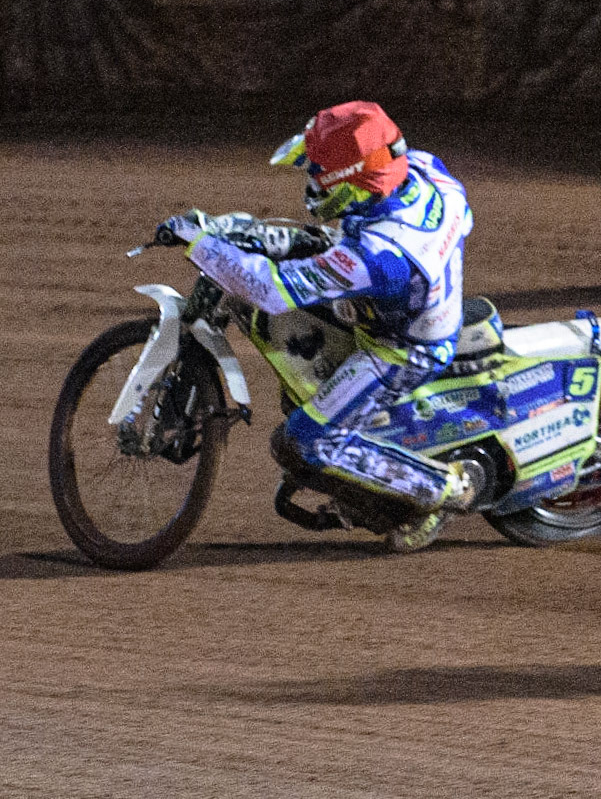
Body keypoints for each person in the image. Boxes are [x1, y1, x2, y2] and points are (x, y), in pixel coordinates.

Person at [158, 100, 477, 552]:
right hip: (391, 296)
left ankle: (441, 489)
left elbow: (270, 289)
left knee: (306, 441)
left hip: (401, 349)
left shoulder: (381, 257)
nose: (311, 183)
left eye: (319, 173)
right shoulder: (422, 169)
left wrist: (201, 243)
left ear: (353, 180)